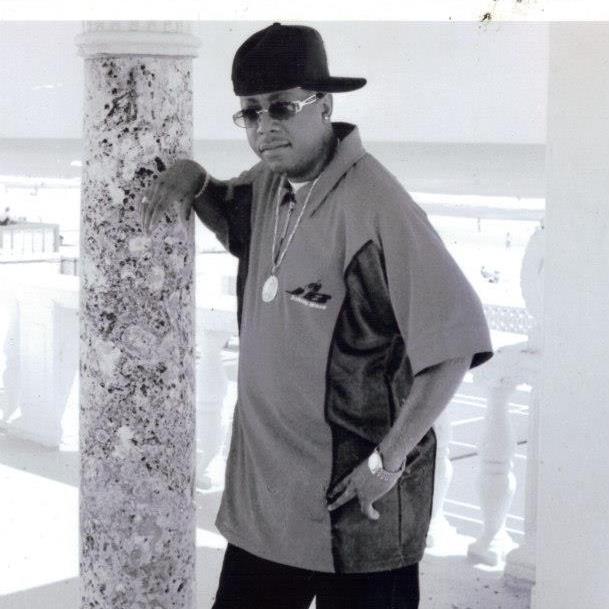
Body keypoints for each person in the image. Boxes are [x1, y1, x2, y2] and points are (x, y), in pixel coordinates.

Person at [140, 22, 493, 609]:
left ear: (325, 106)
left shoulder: (377, 204)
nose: (264, 127)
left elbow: (454, 340)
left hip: (356, 512)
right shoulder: (268, 185)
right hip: (265, 511)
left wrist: (388, 460)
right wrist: (194, 178)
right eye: (250, 112)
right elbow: (231, 215)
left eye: (282, 107)